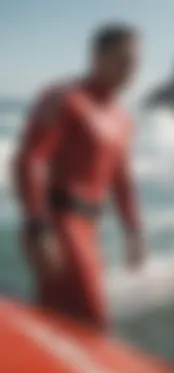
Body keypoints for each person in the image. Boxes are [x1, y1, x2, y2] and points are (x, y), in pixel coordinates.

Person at [14, 23, 145, 330]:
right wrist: (38, 226)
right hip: (58, 223)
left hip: (89, 228)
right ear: (96, 57)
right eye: (123, 60)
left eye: (135, 63)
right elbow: (29, 159)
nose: (131, 70)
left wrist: (133, 230)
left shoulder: (122, 118)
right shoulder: (65, 98)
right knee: (92, 320)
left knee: (60, 322)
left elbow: (121, 179)